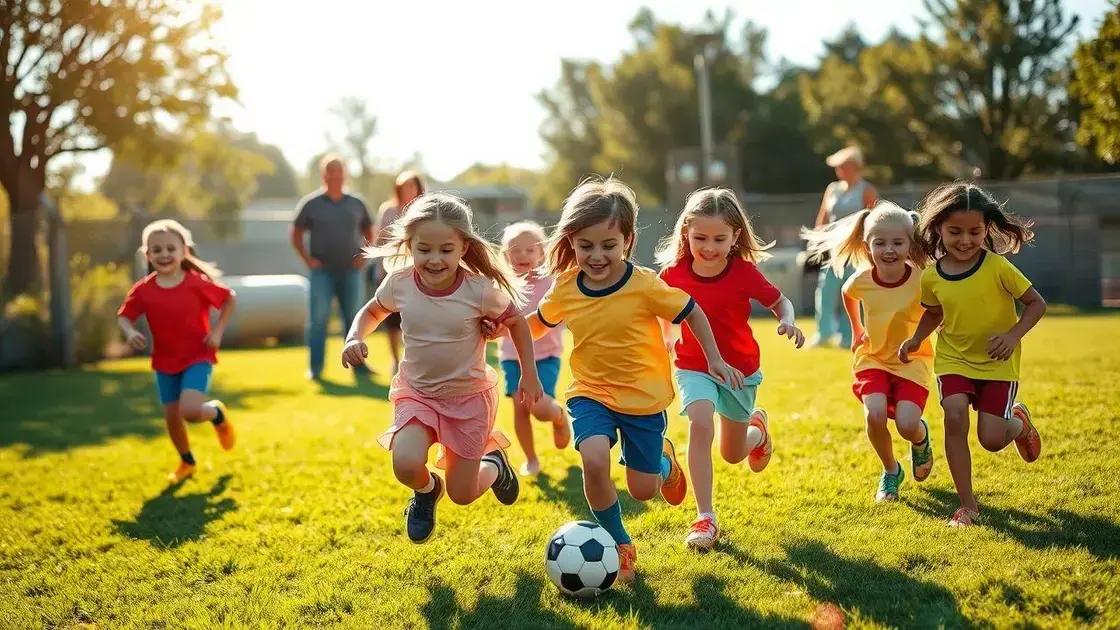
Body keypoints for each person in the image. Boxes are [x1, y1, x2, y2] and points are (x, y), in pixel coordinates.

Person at [521, 178, 741, 582]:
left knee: (642, 490)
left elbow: (693, 312)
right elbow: (535, 324)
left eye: (608, 245)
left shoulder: (644, 285)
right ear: (571, 242)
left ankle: (662, 460)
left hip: (643, 399)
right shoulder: (567, 287)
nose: (597, 255)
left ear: (628, 239)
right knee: (593, 459)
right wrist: (498, 327)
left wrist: (713, 359)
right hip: (590, 392)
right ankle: (619, 542)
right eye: (586, 246)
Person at [340, 193, 542, 544]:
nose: (434, 260)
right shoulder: (400, 283)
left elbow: (517, 323)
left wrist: (529, 372)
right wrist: (354, 336)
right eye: (424, 250)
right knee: (405, 462)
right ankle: (428, 490)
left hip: (468, 400)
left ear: (464, 247)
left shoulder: (479, 290)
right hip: (417, 394)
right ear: (410, 245)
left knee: (464, 494)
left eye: (445, 250)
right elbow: (373, 310)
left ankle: (494, 466)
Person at [656, 188, 804, 550]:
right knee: (700, 423)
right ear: (686, 233)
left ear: (735, 236)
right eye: (700, 238)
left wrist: (788, 321)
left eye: (719, 239)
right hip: (694, 366)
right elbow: (660, 310)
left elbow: (780, 301)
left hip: (740, 370)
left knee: (732, 454)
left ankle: (759, 431)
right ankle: (705, 517)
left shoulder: (743, 273)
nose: (709, 247)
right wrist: (670, 338)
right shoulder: (673, 274)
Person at [899, 183, 1046, 527]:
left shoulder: (998, 267)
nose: (965, 240)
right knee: (953, 415)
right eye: (955, 231)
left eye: (974, 231)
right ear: (937, 228)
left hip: (998, 363)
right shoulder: (932, 276)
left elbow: (1036, 304)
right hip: (953, 359)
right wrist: (916, 339)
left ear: (986, 229)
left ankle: (1018, 423)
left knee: (991, 440)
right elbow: (934, 313)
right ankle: (967, 505)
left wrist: (1012, 336)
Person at [803, 202, 935, 503]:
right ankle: (891, 471)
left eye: (898, 242)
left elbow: (937, 310)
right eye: (880, 243)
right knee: (874, 415)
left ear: (910, 244)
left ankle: (921, 439)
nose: (889, 250)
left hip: (910, 361)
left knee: (907, 424)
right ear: (867, 245)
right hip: (872, 358)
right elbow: (847, 294)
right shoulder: (862, 279)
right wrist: (857, 330)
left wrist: (919, 337)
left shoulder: (921, 279)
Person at [117, 220, 237, 483]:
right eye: (156, 250)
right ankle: (187, 461)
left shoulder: (196, 283)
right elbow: (124, 316)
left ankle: (215, 413)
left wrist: (217, 332)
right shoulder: (144, 290)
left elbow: (229, 298)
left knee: (190, 411)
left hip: (198, 356)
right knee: (172, 418)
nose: (164, 254)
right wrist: (129, 332)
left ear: (184, 251)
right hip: (164, 361)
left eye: (171, 248)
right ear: (147, 255)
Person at [290, 154, 375, 380]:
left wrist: (363, 258)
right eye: (330, 170)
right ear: (323, 174)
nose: (334, 174)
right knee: (318, 320)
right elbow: (296, 234)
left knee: (354, 320)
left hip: (351, 271)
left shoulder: (357, 203)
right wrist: (308, 261)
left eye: (338, 170)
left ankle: (360, 367)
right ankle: (315, 370)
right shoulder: (311, 204)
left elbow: (370, 231)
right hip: (322, 272)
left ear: (344, 174)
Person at [497, 221, 570, 477]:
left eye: (530, 250)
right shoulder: (501, 283)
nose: (522, 255)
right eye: (515, 250)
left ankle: (559, 416)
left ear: (541, 253)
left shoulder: (551, 282)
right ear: (505, 255)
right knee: (520, 407)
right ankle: (531, 459)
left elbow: (560, 313)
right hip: (511, 357)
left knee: (538, 408)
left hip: (546, 356)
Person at [811, 146, 879, 348]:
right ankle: (823, 333)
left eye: (842, 166)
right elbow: (823, 216)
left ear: (854, 166)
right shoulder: (833, 188)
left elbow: (875, 220)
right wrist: (817, 240)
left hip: (857, 251)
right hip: (834, 251)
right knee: (826, 291)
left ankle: (848, 336)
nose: (839, 170)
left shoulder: (867, 190)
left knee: (852, 293)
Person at [373, 171, 426, 374]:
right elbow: (381, 240)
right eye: (404, 187)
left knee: (416, 318)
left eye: (412, 186)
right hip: (391, 273)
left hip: (419, 274)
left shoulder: (425, 211)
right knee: (392, 319)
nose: (408, 191)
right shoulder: (388, 211)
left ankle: (413, 360)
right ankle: (395, 360)